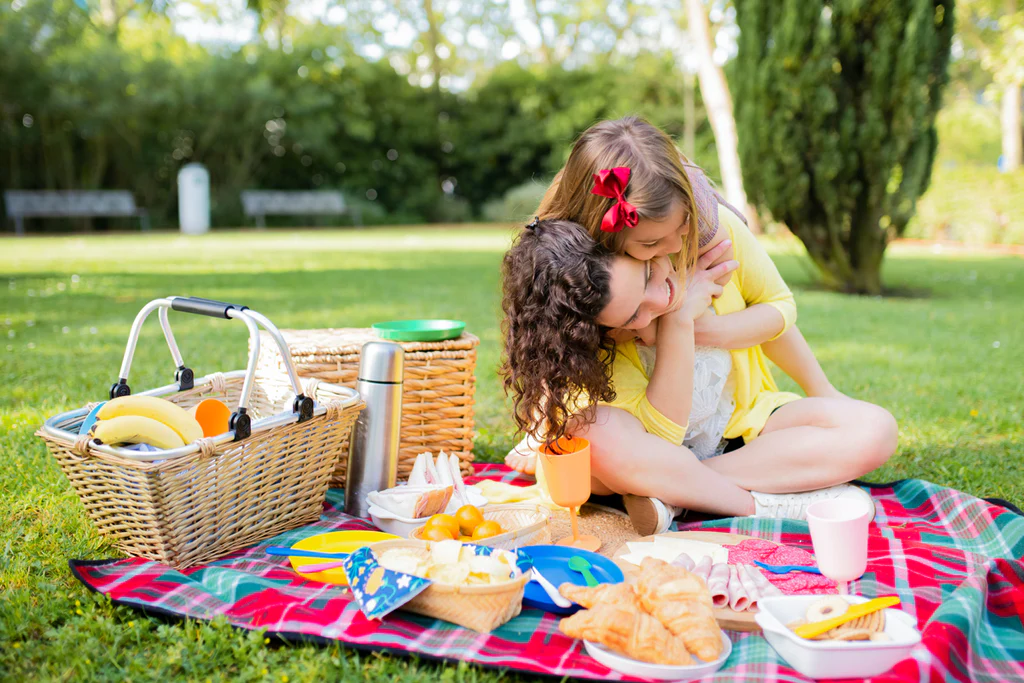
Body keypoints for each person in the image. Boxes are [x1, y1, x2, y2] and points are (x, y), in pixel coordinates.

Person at [499, 117, 897, 533]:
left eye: (681, 228)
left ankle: (676, 494)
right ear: (603, 240)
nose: (673, 248)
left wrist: (692, 323)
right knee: (592, 438)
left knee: (874, 428)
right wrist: (675, 322)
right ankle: (756, 502)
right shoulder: (591, 292)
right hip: (649, 445)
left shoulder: (713, 235)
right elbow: (655, 436)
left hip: (738, 429)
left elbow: (779, 311)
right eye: (650, 249)